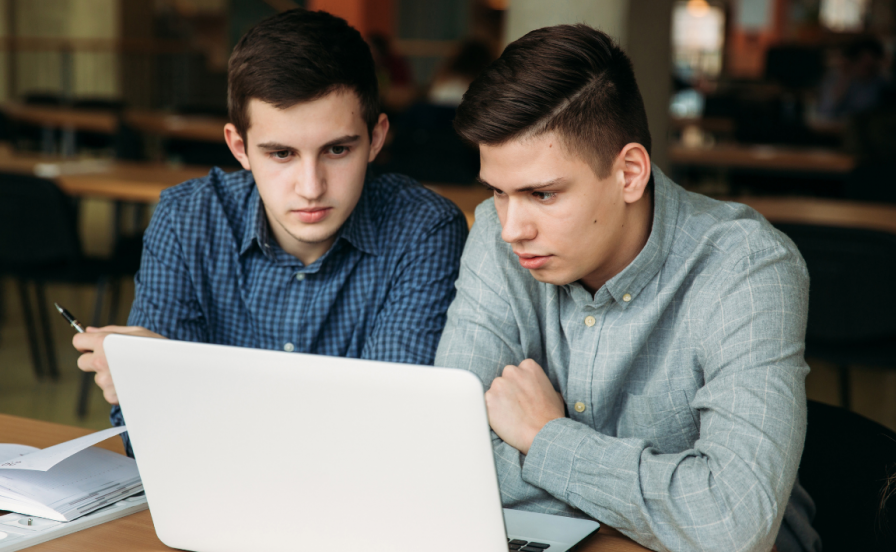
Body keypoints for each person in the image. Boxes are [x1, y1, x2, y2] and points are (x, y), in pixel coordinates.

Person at [435, 24, 819, 552]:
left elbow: (731, 522)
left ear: (630, 174)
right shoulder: (497, 241)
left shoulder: (747, 267)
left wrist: (546, 439)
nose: (511, 228)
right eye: (499, 192)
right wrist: (660, 512)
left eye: (542, 194)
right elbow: (447, 460)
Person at [73, 9, 468, 455]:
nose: (311, 187)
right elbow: (146, 440)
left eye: (337, 150)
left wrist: (185, 389)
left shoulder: (425, 230)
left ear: (376, 139)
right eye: (281, 154)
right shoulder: (187, 220)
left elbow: (390, 433)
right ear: (239, 147)